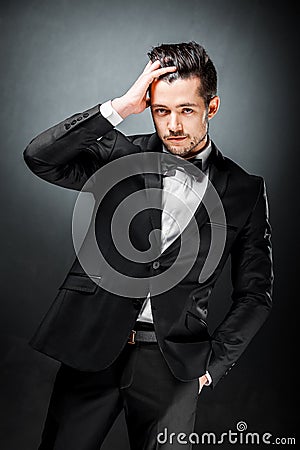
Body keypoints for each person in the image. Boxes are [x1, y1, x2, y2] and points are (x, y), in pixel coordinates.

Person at [23, 41, 273, 450]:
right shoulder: (121, 155)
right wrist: (121, 107)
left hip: (173, 365)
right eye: (162, 111)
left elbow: (256, 292)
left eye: (186, 110)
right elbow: (40, 157)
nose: (173, 124)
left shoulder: (245, 190)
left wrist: (214, 363)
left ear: (211, 107)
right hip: (93, 347)